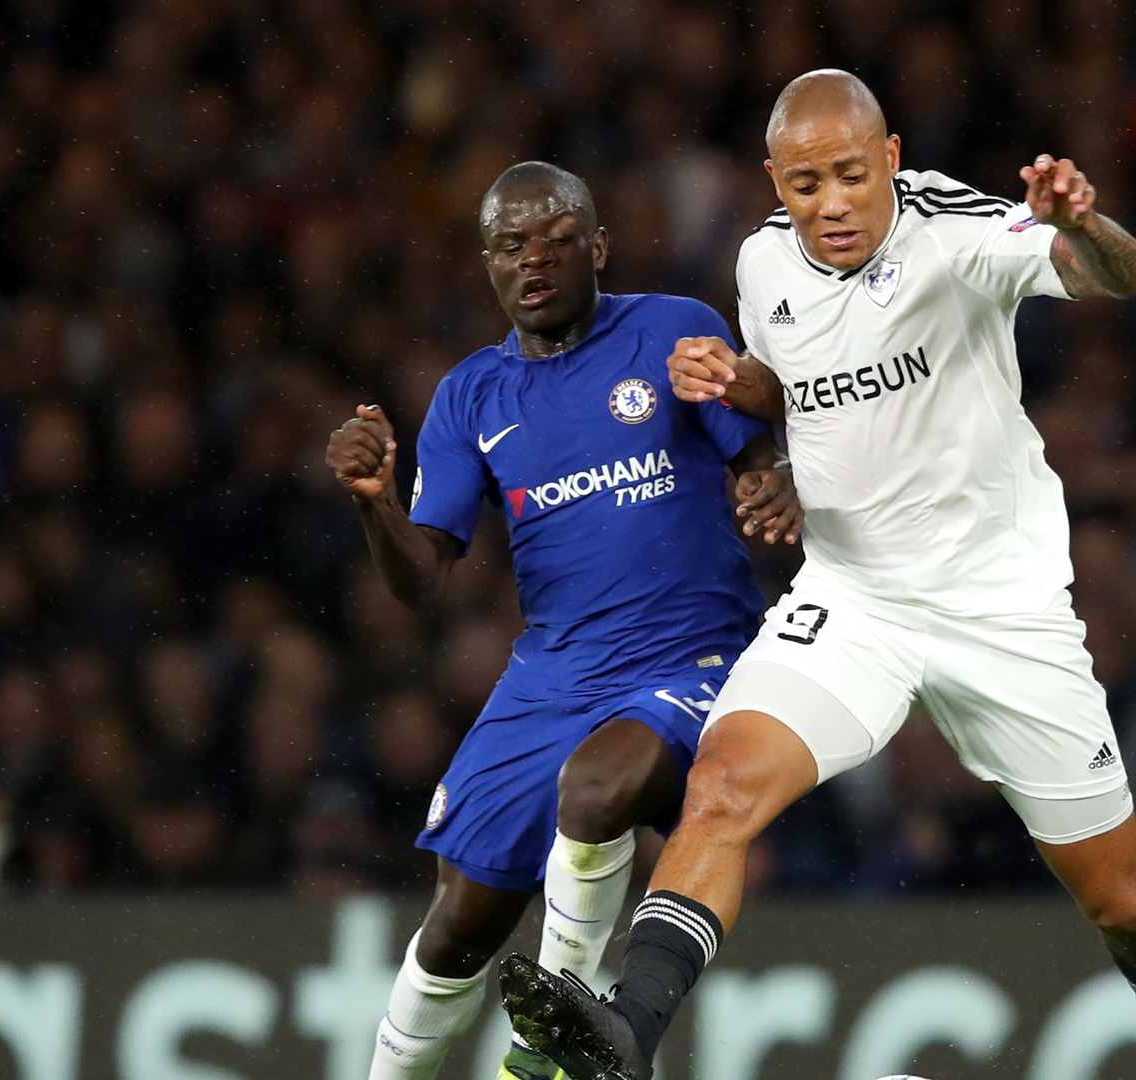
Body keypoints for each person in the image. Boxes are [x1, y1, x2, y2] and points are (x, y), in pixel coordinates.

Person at [498, 70, 1136, 1080]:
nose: (832, 204)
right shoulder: (762, 262)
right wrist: (740, 391)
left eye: (850, 175)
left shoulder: (956, 232)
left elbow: (1121, 275)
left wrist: (1082, 225)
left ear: (889, 158)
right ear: (774, 182)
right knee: (722, 787)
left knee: (1122, 903)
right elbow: (796, 389)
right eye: (805, 185)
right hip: (854, 598)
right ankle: (628, 1033)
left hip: (998, 610)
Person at [324, 161, 800, 1080]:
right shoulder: (470, 396)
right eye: (512, 246)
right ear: (488, 264)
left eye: (557, 240)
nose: (534, 260)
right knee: (460, 922)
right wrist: (374, 502)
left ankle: (548, 1053)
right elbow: (422, 579)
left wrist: (768, 477)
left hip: (691, 657)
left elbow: (756, 449)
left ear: (599, 247)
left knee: (596, 789)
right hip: (550, 676)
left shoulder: (672, 330)